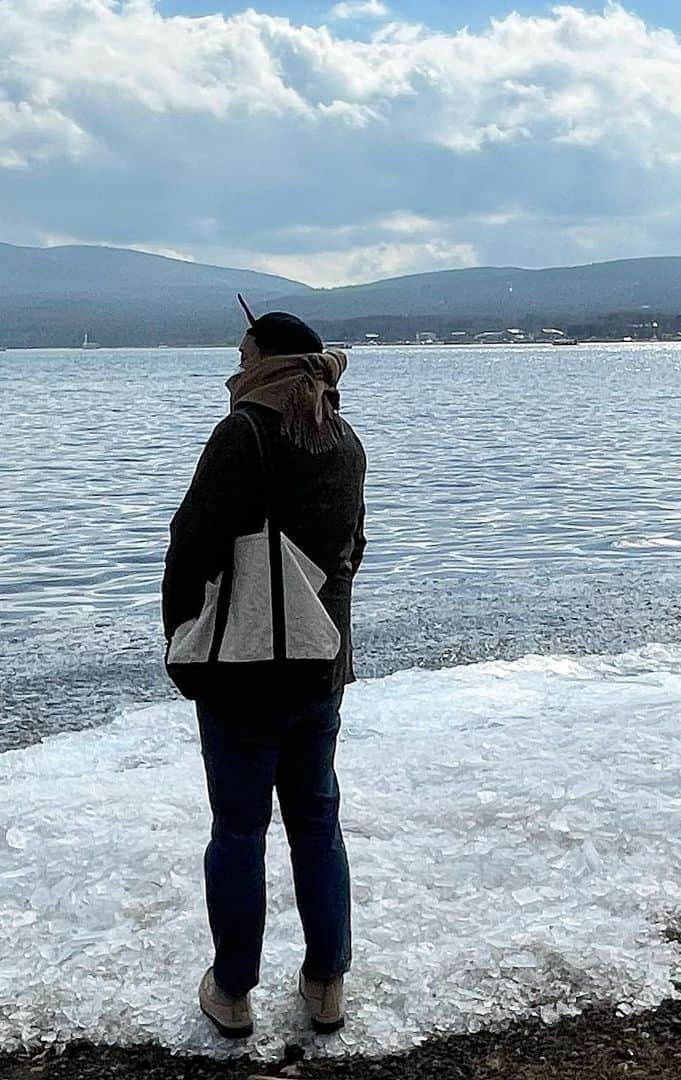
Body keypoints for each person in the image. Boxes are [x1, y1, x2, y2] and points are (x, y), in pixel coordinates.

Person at [162, 310, 366, 1039]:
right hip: (321, 671)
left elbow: (191, 545)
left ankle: (234, 990)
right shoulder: (344, 439)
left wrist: (182, 640)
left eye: (243, 353)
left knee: (240, 831)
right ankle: (326, 984)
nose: (237, 364)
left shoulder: (243, 432)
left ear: (265, 362)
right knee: (317, 826)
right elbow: (353, 551)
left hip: (241, 675)